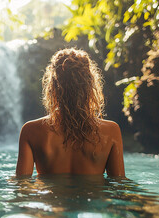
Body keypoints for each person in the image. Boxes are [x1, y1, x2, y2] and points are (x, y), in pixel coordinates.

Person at [16, 48, 125, 177]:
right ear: (90, 85)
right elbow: (119, 184)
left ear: (52, 86)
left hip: (52, 197)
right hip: (92, 196)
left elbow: (22, 185)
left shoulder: (31, 131)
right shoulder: (111, 131)